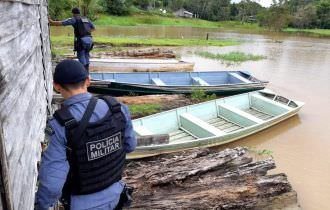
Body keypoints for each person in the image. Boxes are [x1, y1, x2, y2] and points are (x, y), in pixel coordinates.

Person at [35, 60, 137, 210]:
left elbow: (52, 185)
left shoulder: (59, 126)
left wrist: (41, 206)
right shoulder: (117, 108)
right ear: (88, 81)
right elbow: (130, 146)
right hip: (116, 196)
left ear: (56, 86)